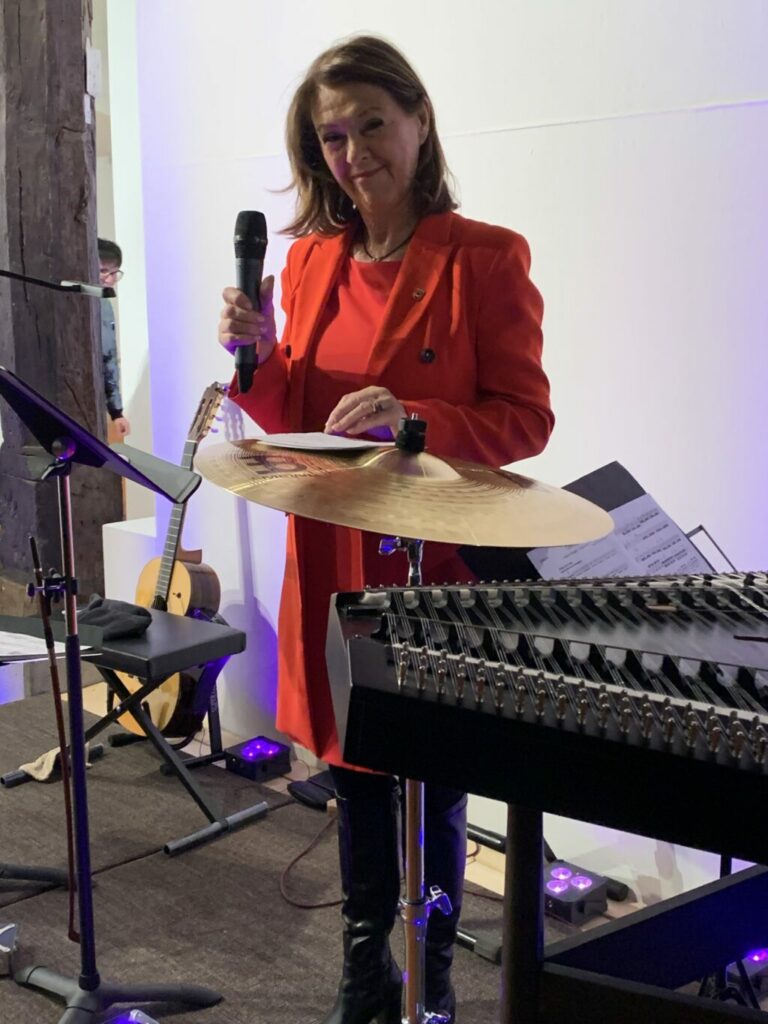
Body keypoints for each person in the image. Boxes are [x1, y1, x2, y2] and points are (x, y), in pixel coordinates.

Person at [218, 35, 554, 1024]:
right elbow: (292, 411)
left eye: (373, 124)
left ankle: (432, 981)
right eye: (333, 136)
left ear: (418, 121)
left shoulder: (485, 257)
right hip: (329, 553)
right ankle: (366, 979)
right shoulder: (311, 260)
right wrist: (255, 358)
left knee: (432, 783)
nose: (355, 152)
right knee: (356, 773)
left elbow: (525, 419)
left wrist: (415, 421)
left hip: (430, 566)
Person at [98, 237, 131, 441]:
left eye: (114, 273)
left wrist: (116, 412)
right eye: (103, 271)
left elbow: (109, 359)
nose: (110, 280)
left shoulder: (104, 306)